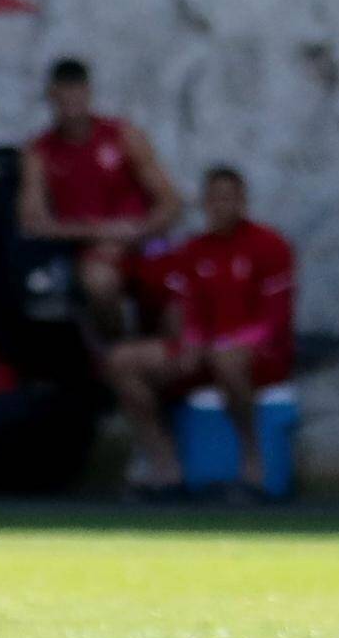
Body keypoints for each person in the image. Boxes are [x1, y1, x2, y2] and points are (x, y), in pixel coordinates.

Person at [123, 168, 300, 501]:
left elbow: (272, 321)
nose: (221, 206)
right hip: (204, 349)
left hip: (255, 355)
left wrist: (223, 343)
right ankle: (164, 468)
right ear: (204, 203)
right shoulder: (192, 251)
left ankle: (253, 465)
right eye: (214, 198)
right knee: (124, 362)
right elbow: (184, 311)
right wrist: (190, 342)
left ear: (243, 201)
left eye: (229, 198)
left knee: (228, 361)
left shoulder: (269, 246)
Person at [19, 60, 175, 331]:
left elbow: (170, 201)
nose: (70, 104)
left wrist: (140, 231)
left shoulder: (124, 136)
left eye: (76, 93)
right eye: (62, 96)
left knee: (178, 282)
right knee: (99, 281)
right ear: (51, 97)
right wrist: (100, 232)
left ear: (89, 92)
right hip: (88, 250)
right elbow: (33, 221)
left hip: (141, 241)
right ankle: (117, 353)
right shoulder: (39, 151)